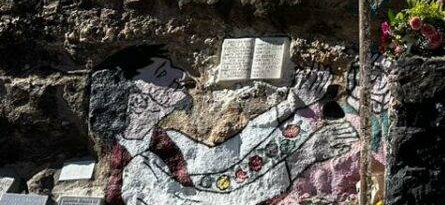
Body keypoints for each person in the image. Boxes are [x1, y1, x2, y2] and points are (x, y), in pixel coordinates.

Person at [88, 46, 356, 204]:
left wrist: (291, 106)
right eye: (162, 74)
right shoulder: (136, 171)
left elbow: (227, 158)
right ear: (137, 101)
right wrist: (303, 146)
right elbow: (222, 195)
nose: (180, 75)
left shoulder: (166, 139)